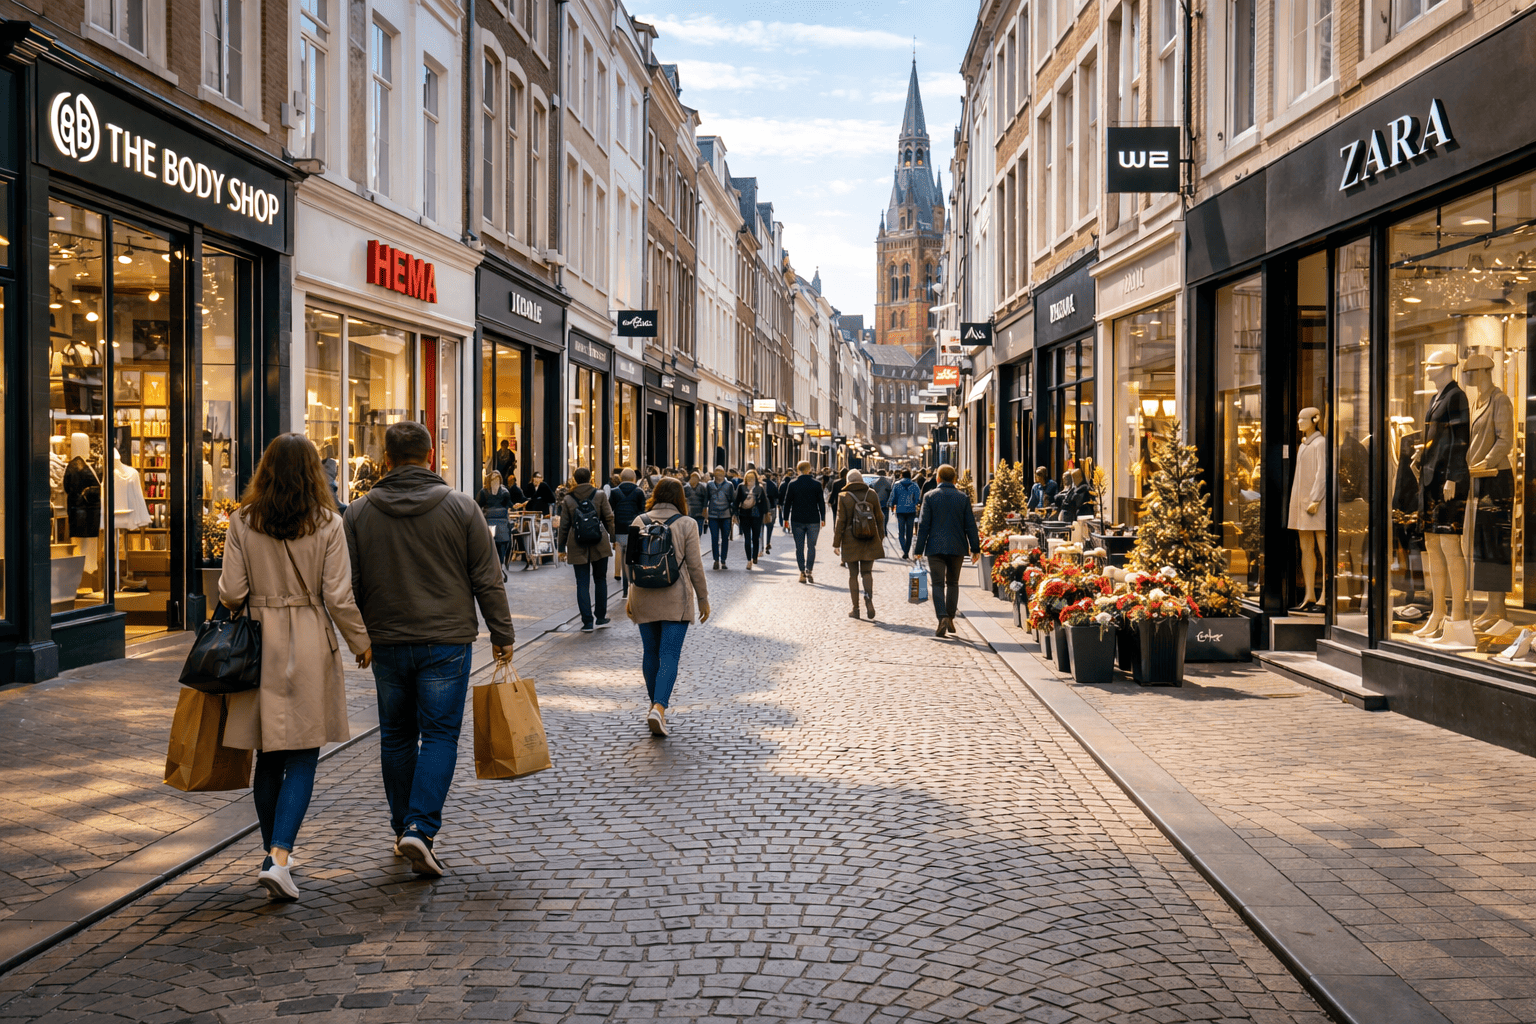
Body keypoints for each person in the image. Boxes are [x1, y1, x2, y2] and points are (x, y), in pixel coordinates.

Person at [344, 421, 515, 878]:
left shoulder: (358, 513)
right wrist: (502, 634)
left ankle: (404, 826)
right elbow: (487, 578)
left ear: (386, 460)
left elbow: (349, 584)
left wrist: (360, 637)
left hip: (386, 641)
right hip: (446, 640)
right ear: (430, 457)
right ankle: (420, 827)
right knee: (439, 735)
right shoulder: (461, 507)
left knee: (396, 736)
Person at [219, 434, 371, 901]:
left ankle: (274, 855)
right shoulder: (328, 523)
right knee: (303, 754)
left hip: (258, 643)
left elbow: (231, 593)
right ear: (313, 474)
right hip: (308, 639)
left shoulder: (243, 520)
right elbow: (338, 596)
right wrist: (360, 641)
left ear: (264, 470)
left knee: (268, 754)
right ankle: (279, 857)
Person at [625, 477, 710, 737]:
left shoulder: (639, 521)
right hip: (675, 598)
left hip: (643, 595)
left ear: (655, 494)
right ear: (680, 498)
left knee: (650, 653)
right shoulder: (687, 524)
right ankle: (659, 707)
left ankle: (655, 706)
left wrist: (630, 595)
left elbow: (629, 563)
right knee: (669, 655)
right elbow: (695, 565)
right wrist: (703, 598)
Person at [913, 463, 981, 638]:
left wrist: (918, 549)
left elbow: (924, 525)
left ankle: (942, 616)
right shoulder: (963, 498)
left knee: (937, 584)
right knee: (953, 583)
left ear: (938, 479)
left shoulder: (929, 496)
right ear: (955, 479)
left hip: (935, 547)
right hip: (957, 547)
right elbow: (970, 525)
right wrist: (975, 548)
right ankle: (950, 617)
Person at [556, 466, 617, 631]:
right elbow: (609, 518)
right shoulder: (600, 495)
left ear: (575, 480)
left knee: (582, 583)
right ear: (590, 478)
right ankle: (601, 617)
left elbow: (564, 524)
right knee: (600, 579)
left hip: (577, 543)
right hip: (599, 542)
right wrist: (613, 538)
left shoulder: (568, 499)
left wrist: (561, 546)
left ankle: (587, 621)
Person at [832, 468, 887, 620]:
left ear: (848, 481)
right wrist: (880, 536)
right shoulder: (872, 494)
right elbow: (880, 517)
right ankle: (868, 598)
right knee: (867, 573)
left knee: (853, 575)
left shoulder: (843, 496)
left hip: (850, 540)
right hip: (870, 538)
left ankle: (855, 609)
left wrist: (836, 543)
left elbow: (840, 521)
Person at [783, 461, 827, 584]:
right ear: (809, 470)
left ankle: (802, 571)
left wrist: (785, 519)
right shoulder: (817, 484)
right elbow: (821, 502)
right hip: (813, 520)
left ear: (798, 470)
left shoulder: (793, 484)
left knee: (799, 547)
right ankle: (809, 569)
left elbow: (787, 503)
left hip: (797, 519)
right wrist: (823, 518)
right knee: (811, 546)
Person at [608, 469, 646, 590]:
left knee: (619, 549)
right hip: (634, 528)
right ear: (634, 478)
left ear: (621, 478)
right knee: (631, 552)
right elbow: (643, 511)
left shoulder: (614, 492)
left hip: (619, 526)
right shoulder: (639, 492)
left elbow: (609, 511)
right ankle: (630, 577)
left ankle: (617, 573)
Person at [477, 470, 517, 579]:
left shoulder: (504, 492)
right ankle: (494, 568)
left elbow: (509, 504)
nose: (495, 481)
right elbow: (478, 506)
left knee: (501, 544)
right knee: (491, 545)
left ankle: (499, 566)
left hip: (500, 522)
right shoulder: (484, 492)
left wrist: (514, 506)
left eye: (497, 479)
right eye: (493, 479)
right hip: (491, 521)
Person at [704, 466, 738, 570]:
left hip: (726, 515)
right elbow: (706, 499)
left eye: (720, 472)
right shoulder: (709, 485)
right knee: (714, 538)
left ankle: (723, 560)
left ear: (724, 474)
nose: (718, 474)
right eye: (717, 472)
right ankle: (716, 560)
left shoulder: (729, 485)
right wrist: (705, 511)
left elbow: (733, 500)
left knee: (725, 538)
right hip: (713, 515)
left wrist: (734, 514)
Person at [736, 469, 769, 569]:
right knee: (755, 537)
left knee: (747, 538)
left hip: (744, 515)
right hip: (757, 516)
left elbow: (736, 501)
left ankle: (748, 560)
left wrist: (735, 514)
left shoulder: (741, 487)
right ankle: (754, 557)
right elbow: (764, 503)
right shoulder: (760, 488)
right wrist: (766, 513)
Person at [892, 469, 922, 559]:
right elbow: (918, 498)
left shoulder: (897, 485)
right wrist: (914, 503)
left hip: (900, 511)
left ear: (901, 475)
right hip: (911, 511)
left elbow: (893, 497)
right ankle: (907, 550)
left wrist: (893, 505)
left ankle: (904, 549)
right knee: (909, 533)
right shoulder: (915, 485)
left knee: (901, 532)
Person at [871, 469, 895, 536]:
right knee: (885, 517)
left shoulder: (874, 482)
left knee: (877, 517)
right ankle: (884, 530)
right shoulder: (888, 482)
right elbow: (890, 492)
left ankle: (878, 530)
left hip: (877, 502)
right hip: (885, 503)